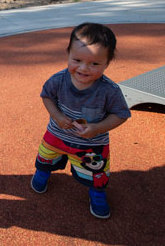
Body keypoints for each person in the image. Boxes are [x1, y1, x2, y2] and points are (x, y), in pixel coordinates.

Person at [30, 23, 130, 219]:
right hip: (56, 136)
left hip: (92, 144)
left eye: (94, 64)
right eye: (77, 60)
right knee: (45, 159)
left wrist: (97, 128)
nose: (84, 68)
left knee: (96, 174)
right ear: (68, 54)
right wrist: (57, 116)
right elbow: (46, 96)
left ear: (107, 63)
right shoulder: (58, 80)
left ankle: (97, 193)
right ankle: (42, 173)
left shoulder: (109, 90)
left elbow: (120, 115)